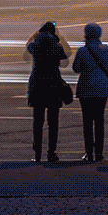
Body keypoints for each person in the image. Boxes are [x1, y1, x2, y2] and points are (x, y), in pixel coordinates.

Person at [26, 21, 72, 162]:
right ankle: (51, 152)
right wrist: (61, 37)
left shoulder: (35, 46)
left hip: (38, 85)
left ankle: (37, 153)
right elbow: (67, 55)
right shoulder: (56, 47)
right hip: (53, 85)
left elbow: (27, 46)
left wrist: (35, 34)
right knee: (53, 122)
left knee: (37, 121)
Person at [72, 22, 108, 161]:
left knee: (87, 121)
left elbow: (76, 68)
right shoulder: (106, 49)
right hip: (102, 88)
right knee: (99, 120)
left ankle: (89, 152)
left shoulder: (83, 51)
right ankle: (99, 152)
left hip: (86, 88)